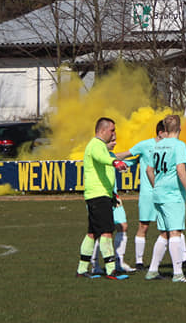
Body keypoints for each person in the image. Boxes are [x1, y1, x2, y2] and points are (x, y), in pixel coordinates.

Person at [76, 117, 130, 279]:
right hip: (98, 196)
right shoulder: (96, 145)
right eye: (112, 130)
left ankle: (81, 270)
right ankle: (111, 270)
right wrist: (115, 162)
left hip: (100, 195)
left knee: (92, 233)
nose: (114, 134)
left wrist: (112, 194)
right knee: (107, 231)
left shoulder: (99, 146)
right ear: (102, 130)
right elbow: (102, 158)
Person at [144, 113, 186, 283]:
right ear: (179, 128)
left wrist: (156, 185)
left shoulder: (158, 145)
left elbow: (148, 170)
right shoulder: (179, 145)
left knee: (164, 233)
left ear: (165, 129)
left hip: (158, 193)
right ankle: (178, 273)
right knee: (175, 233)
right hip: (172, 195)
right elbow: (181, 170)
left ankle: (152, 271)